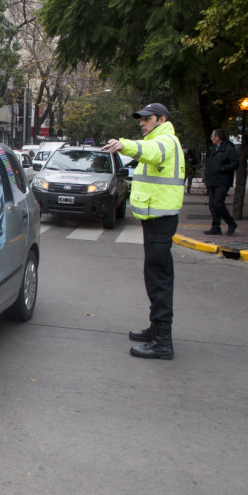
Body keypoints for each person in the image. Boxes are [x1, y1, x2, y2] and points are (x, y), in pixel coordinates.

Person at [102, 102, 184, 360]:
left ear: (161, 119)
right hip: (157, 220)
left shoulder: (166, 140)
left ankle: (162, 342)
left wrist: (124, 144)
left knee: (158, 279)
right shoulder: (161, 139)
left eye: (147, 119)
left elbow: (152, 152)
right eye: (141, 119)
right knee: (155, 276)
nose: (142, 122)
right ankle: (156, 330)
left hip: (161, 221)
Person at [203, 128, 239, 236]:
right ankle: (216, 227)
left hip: (222, 181)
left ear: (218, 137)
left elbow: (235, 163)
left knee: (218, 204)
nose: (211, 138)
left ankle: (231, 223)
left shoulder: (228, 148)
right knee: (212, 205)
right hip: (212, 180)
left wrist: (223, 168)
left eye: (213, 136)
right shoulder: (213, 149)